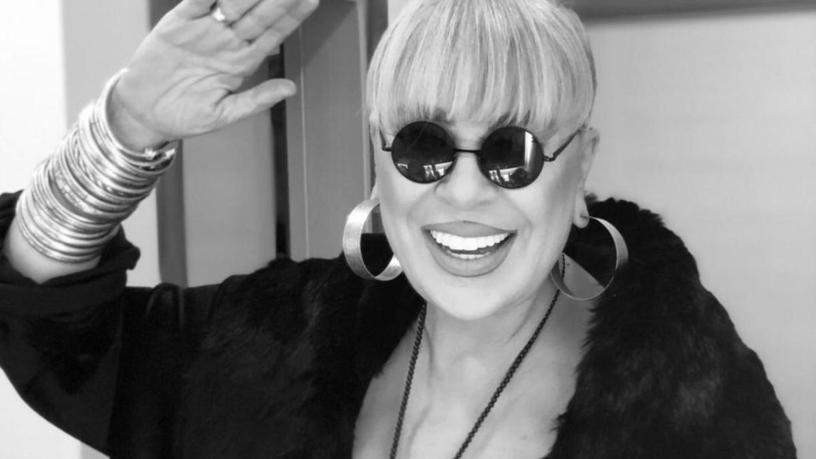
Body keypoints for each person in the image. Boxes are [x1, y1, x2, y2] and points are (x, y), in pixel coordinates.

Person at [0, 0, 796, 457]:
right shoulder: (273, 342)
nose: (463, 191)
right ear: (380, 157)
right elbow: (58, 336)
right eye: (422, 146)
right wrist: (126, 128)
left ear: (580, 163)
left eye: (512, 151)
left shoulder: (692, 412)